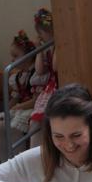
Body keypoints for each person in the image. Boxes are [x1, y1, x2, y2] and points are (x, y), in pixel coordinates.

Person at [0, 30, 37, 161]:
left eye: (16, 56)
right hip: (21, 109)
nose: (12, 60)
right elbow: (16, 97)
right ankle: (5, 163)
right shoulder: (17, 77)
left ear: (28, 56)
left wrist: (18, 107)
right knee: (1, 126)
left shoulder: (36, 74)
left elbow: (36, 100)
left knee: (13, 127)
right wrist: (7, 110)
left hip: (32, 109)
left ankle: (19, 163)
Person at [27, 8, 56, 146]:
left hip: (58, 87)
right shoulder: (47, 49)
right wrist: (39, 49)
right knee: (36, 122)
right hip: (49, 88)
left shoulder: (58, 47)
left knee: (44, 123)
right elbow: (39, 71)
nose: (40, 36)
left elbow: (55, 67)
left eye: (41, 33)